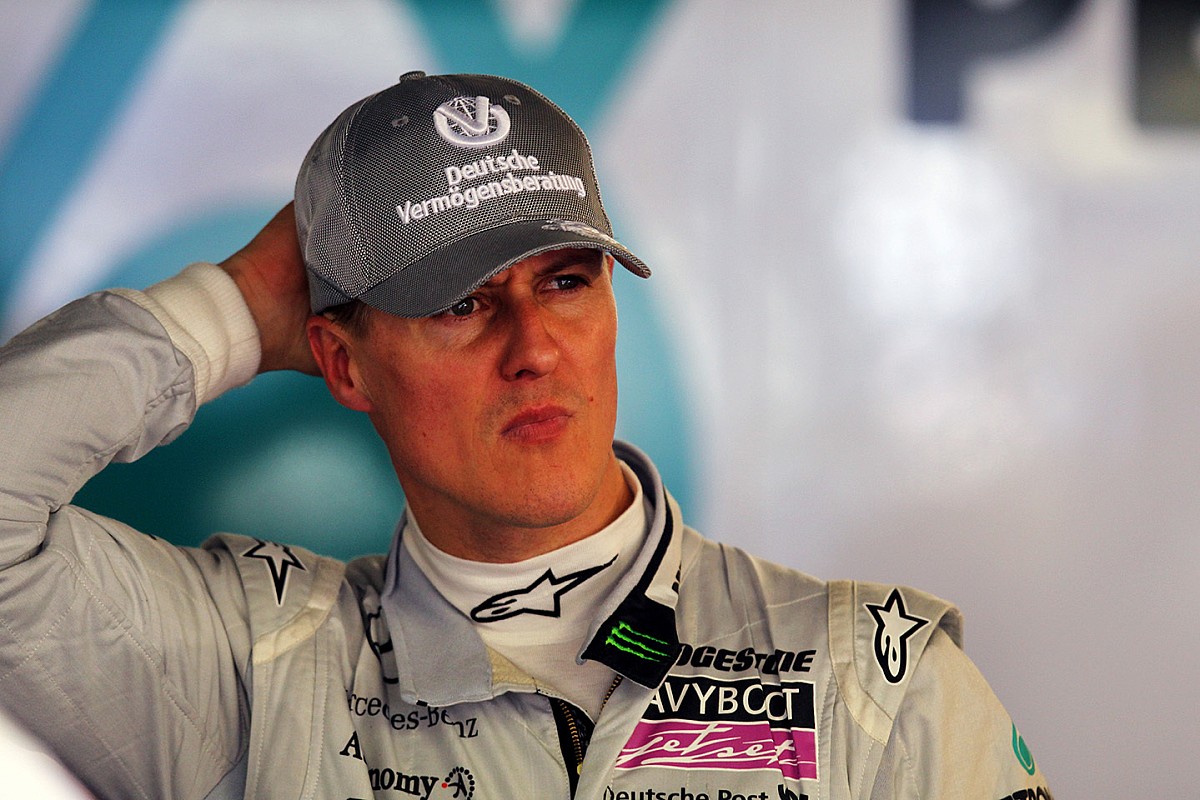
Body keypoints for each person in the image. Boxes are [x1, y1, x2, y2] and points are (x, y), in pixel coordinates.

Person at [0, 71, 1052, 800]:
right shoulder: (255, 667)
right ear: (343, 363)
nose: (536, 348)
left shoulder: (876, 678)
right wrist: (231, 305)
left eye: (566, 281)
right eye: (460, 302)